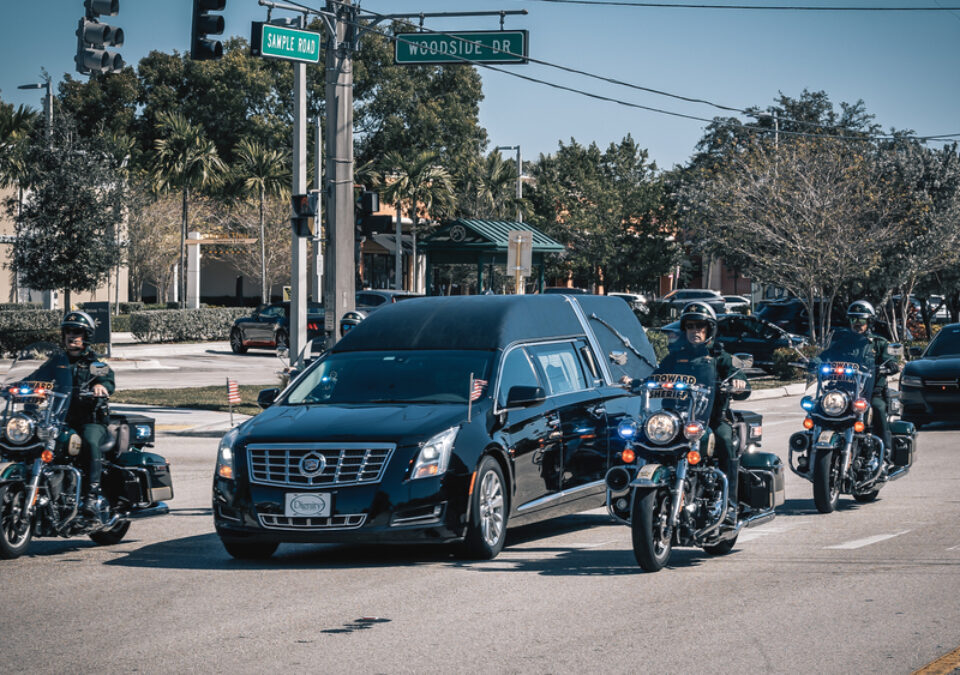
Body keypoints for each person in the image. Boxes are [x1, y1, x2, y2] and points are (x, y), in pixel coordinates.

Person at [646, 301, 750, 512]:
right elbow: (655, 377)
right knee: (643, 439)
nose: (695, 331)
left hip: (711, 418)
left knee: (724, 439)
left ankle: (729, 504)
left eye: (700, 326)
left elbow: (740, 379)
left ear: (709, 329)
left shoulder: (720, 356)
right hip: (675, 420)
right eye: (690, 326)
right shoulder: (675, 356)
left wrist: (739, 383)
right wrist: (635, 383)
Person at [59, 311, 115, 517]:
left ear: (86, 336)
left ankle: (92, 494)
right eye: (68, 331)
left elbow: (106, 380)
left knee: (90, 442)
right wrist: (13, 386)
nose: (72, 336)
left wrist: (100, 386)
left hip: (90, 419)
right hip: (62, 419)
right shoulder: (57, 362)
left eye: (77, 332)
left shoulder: (94, 363)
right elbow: (35, 377)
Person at [846, 300, 899, 456]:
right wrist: (814, 361)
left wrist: (891, 364)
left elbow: (889, 358)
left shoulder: (879, 343)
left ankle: (886, 451)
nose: (857, 324)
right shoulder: (842, 342)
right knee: (821, 407)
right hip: (845, 391)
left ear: (869, 322)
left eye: (861, 320)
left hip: (871, 393)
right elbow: (827, 355)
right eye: (853, 319)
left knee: (878, 408)